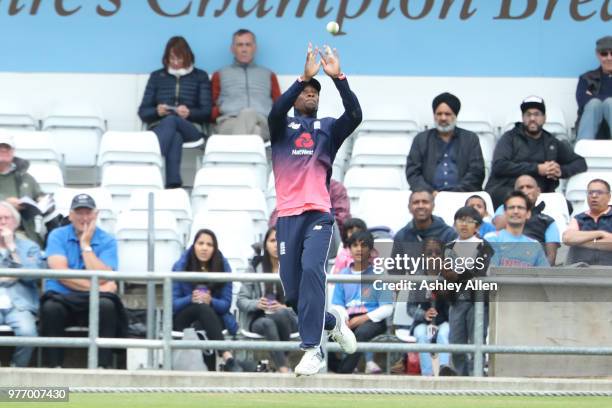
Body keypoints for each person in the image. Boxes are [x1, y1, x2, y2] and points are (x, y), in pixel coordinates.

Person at [267, 43, 362, 376]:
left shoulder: (328, 128)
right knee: (294, 295)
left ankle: (312, 350)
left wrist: (338, 78)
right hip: (288, 216)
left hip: (319, 215)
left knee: (312, 271)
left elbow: (355, 116)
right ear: (295, 97)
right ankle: (332, 322)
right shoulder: (280, 129)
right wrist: (301, 77)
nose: (310, 94)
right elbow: (274, 112)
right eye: (305, 91)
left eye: (314, 91)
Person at [41, 194, 125, 368]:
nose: (84, 218)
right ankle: (53, 367)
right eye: (79, 213)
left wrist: (86, 246)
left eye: (88, 213)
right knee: (50, 308)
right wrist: (97, 288)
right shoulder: (57, 235)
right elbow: (60, 274)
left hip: (92, 300)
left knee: (107, 306)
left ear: (96, 214)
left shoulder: (107, 239)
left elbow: (104, 276)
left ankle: (102, 366)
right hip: (62, 297)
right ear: (71, 215)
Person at [485, 96, 587, 208]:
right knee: (519, 199)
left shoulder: (551, 142)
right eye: (528, 114)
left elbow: (580, 163)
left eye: (537, 114)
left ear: (544, 118)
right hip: (507, 189)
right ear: (523, 118)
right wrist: (537, 169)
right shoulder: (509, 138)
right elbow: (500, 166)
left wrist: (560, 171)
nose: (532, 118)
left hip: (540, 194)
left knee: (565, 206)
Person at [138, 36, 211, 188]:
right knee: (174, 135)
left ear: (188, 57)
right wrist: (157, 111)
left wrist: (189, 113)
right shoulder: (157, 76)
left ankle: (152, 163)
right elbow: (143, 112)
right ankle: (173, 184)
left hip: (191, 128)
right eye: (172, 58)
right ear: (166, 58)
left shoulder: (200, 76)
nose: (176, 63)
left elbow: (207, 112)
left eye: (180, 58)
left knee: (172, 121)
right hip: (161, 127)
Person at [172, 228, 242, 372]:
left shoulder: (222, 266)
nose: (204, 248)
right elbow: (173, 305)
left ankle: (210, 373)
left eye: (209, 245)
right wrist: (191, 299)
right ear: (194, 246)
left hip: (214, 316)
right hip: (183, 316)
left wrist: (211, 301)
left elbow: (225, 305)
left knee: (202, 320)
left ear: (214, 248)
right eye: (200, 243)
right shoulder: (180, 266)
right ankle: (226, 355)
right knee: (201, 308)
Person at [331, 230, 393, 374]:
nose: (359, 249)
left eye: (364, 245)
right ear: (349, 249)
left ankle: (344, 371)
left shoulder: (379, 274)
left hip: (372, 319)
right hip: (348, 318)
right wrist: (344, 318)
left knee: (361, 333)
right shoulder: (343, 274)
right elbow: (337, 304)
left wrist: (362, 319)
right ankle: (341, 368)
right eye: (355, 245)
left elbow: (387, 308)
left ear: (371, 250)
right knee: (326, 333)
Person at [237, 227, 297, 373]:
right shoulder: (254, 267)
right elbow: (241, 300)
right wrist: (256, 304)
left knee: (281, 315)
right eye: (272, 240)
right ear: (265, 244)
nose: (277, 244)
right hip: (259, 318)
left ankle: (278, 363)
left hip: (289, 318)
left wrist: (284, 307)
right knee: (268, 323)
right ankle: (283, 367)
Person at [442, 206, 493, 376]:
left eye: (469, 221)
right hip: (456, 300)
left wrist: (456, 275)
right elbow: (444, 272)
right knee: (456, 341)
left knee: (476, 340)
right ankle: (460, 375)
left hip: (477, 301)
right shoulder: (448, 246)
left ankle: (476, 375)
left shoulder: (484, 246)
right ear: (454, 223)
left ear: (477, 226)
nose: (464, 224)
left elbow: (478, 271)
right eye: (460, 220)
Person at [405, 92, 485, 193]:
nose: (443, 118)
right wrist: (430, 192)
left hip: (462, 195)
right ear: (434, 116)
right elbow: (413, 173)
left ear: (455, 116)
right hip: (429, 196)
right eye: (439, 114)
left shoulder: (470, 139)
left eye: (447, 114)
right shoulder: (421, 139)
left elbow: (477, 172)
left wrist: (455, 192)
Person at [211, 29, 281, 141]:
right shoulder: (220, 74)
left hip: (262, 121)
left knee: (249, 114)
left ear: (254, 48)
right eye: (240, 45)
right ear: (232, 48)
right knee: (255, 133)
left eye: (248, 45)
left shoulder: (268, 74)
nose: (244, 49)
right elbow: (212, 104)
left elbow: (279, 106)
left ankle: (234, 156)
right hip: (229, 121)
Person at [0, 201, 44, 367]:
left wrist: (12, 248)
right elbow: (19, 275)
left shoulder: (29, 247)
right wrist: (13, 275)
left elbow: (31, 277)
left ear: (15, 222)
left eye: (7, 218)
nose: (3, 222)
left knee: (28, 334)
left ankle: (16, 371)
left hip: (19, 305)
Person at [407, 238, 452, 376]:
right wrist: (424, 314)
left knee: (444, 334)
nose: (433, 256)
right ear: (423, 256)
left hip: (445, 320)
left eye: (437, 253)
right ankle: (428, 374)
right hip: (422, 322)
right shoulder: (418, 277)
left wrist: (444, 292)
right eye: (429, 253)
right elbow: (410, 308)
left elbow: (454, 306)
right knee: (421, 335)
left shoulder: (449, 275)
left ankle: (443, 372)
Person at [492, 175, 560, 265]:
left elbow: (551, 257)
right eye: (521, 188)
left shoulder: (548, 221)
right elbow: (497, 227)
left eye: (529, 187)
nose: (525, 191)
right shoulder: (505, 209)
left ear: (538, 191)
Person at [389, 189, 458, 274]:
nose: (420, 206)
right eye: (416, 202)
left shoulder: (449, 234)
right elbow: (395, 272)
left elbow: (456, 270)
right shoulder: (401, 236)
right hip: (413, 285)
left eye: (425, 202)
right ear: (409, 207)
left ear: (433, 206)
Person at [0, 134, 47, 246]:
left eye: (7, 147)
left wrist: (42, 200)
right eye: (0, 147)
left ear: (13, 151)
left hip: (26, 233)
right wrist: (6, 204)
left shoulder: (26, 177)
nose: (3, 150)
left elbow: (39, 195)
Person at [484, 191, 549, 268]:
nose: (516, 211)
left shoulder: (534, 245)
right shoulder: (492, 239)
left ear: (528, 214)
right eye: (511, 208)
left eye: (520, 208)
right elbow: (491, 272)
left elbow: (544, 274)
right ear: (504, 213)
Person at [563, 178, 612, 265]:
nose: (594, 196)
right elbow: (567, 238)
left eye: (599, 192)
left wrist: (579, 242)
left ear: (609, 196)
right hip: (581, 270)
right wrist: (600, 233)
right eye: (590, 192)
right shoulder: (579, 218)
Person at [576, 36, 612, 140]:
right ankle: (582, 152)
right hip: (593, 131)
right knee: (593, 104)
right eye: (604, 53)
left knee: (609, 103)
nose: (609, 58)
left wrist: (596, 97)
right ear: (598, 55)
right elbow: (582, 101)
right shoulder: (586, 78)